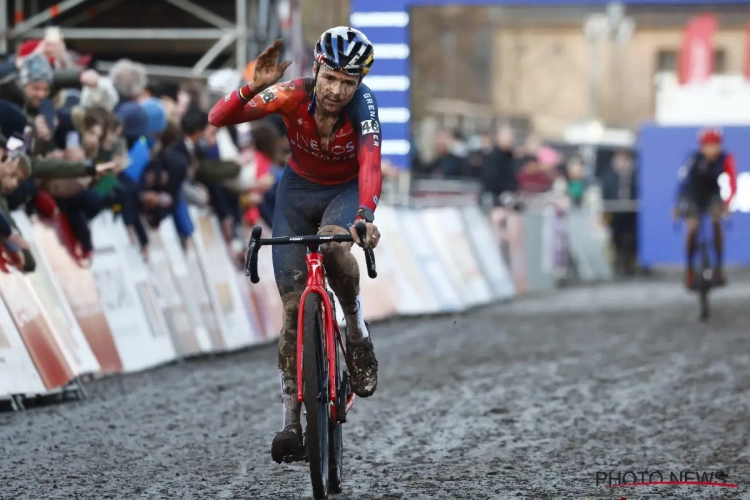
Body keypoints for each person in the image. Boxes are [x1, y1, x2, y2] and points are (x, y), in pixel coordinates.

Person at [208, 30, 382, 464]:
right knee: (290, 309)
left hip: (343, 193)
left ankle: (356, 331)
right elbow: (217, 118)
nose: (338, 91)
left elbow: (371, 165)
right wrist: (253, 86)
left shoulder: (364, 109)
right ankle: (290, 421)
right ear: (318, 67)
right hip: (296, 193)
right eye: (332, 78)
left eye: (349, 82)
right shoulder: (291, 93)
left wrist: (364, 216)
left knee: (335, 247)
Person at [673, 128, 736, 289]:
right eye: (707, 145)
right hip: (692, 197)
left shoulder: (726, 158)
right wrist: (677, 206)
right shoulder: (693, 158)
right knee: (691, 229)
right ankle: (689, 270)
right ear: (701, 146)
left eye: (715, 145)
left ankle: (719, 269)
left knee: (716, 223)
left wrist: (727, 204)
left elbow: (732, 183)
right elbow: (682, 183)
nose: (711, 149)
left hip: (713, 197)